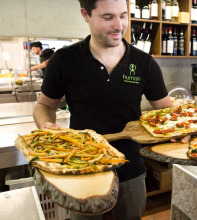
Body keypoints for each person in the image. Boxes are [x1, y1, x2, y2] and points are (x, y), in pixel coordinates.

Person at [33, 0, 180, 219]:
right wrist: (46, 126)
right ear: (86, 15)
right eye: (108, 17)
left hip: (130, 166)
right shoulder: (64, 60)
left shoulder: (144, 63)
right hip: (81, 168)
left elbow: (167, 113)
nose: (119, 25)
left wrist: (181, 128)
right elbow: (44, 105)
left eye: (123, 15)